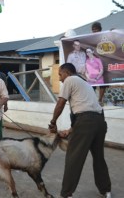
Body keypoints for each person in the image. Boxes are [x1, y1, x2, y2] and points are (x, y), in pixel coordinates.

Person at [48, 63, 112, 198]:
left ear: (67, 73)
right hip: (100, 122)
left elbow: (60, 103)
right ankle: (106, 191)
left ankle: (66, 194)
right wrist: (70, 130)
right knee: (99, 157)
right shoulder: (86, 84)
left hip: (86, 122)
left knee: (74, 158)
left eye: (60, 74)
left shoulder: (70, 80)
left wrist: (53, 122)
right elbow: (88, 112)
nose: (60, 79)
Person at [91, 21, 107, 106]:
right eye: (93, 30)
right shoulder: (90, 38)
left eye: (96, 30)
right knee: (92, 82)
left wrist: (113, 32)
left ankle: (100, 99)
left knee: (103, 82)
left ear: (100, 30)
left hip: (103, 61)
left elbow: (113, 38)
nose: (94, 31)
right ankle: (92, 99)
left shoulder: (105, 36)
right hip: (94, 63)